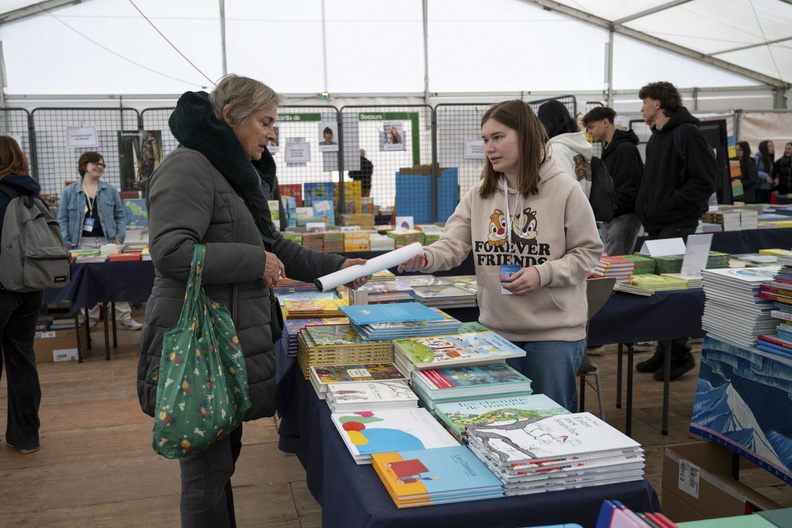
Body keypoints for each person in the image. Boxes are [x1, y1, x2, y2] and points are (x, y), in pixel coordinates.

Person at [136, 73, 368, 528]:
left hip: (224, 346)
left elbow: (275, 250)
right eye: (265, 121)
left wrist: (346, 268)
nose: (271, 132)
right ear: (230, 116)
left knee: (220, 466)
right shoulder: (188, 167)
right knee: (205, 477)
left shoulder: (228, 172)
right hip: (201, 351)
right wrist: (252, 262)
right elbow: (171, 252)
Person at [397, 99, 603, 412]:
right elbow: (452, 244)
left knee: (550, 422)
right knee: (503, 419)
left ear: (527, 137)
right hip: (496, 332)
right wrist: (424, 258)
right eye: (485, 140)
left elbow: (588, 253)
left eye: (498, 137)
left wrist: (542, 273)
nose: (489, 148)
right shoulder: (480, 193)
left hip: (554, 334)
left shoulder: (565, 190)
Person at [634, 81, 717, 381]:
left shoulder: (688, 133)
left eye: (644, 102)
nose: (641, 108)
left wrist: (671, 205)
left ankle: (679, 354)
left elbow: (705, 180)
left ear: (657, 103)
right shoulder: (657, 137)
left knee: (672, 291)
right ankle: (665, 350)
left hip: (677, 224)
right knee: (661, 290)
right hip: (658, 225)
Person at [58, 152, 143, 331]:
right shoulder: (70, 191)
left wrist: (119, 238)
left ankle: (124, 318)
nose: (99, 167)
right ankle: (90, 319)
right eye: (95, 163)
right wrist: (66, 241)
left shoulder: (109, 190)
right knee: (86, 282)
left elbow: (120, 216)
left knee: (117, 279)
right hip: (81, 243)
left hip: (108, 242)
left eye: (102, 165)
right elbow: (62, 218)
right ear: (84, 166)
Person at [0, 136, 44, 454]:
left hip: (1, 286)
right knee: (21, 359)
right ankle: (26, 435)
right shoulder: (31, 194)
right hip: (30, 286)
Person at [582, 106, 643, 257]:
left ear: (605, 122)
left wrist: (613, 207)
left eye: (591, 127)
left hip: (624, 216)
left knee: (616, 263)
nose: (589, 132)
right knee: (609, 262)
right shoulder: (610, 149)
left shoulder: (625, 149)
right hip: (612, 216)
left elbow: (630, 186)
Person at [537, 99, 592, 197]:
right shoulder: (576, 144)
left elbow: (562, 190)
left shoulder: (558, 148)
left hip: (571, 208)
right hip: (584, 205)